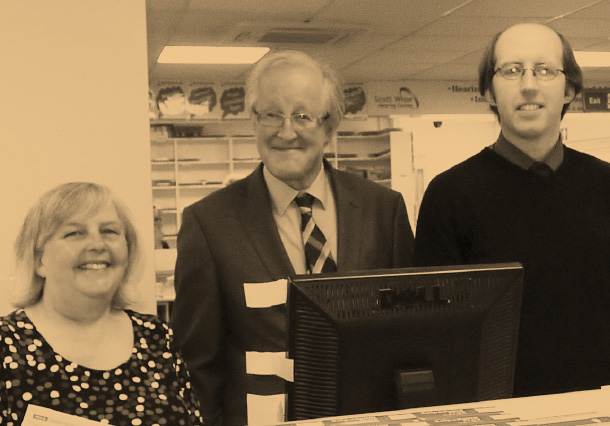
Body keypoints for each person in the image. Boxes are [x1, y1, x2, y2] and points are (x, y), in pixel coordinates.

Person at [172, 50, 415, 426]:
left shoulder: (384, 210)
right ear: (253, 121)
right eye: (271, 114)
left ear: (329, 126)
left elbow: (408, 338)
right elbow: (198, 365)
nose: (286, 132)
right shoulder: (208, 223)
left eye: (303, 116)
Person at [414, 23, 610, 398]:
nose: (529, 85)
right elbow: (433, 330)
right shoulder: (449, 194)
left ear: (569, 89)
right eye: (512, 70)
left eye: (544, 70)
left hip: (598, 402)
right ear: (488, 91)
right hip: (495, 407)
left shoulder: (605, 184)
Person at [1, 182, 203, 426]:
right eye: (74, 233)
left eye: (109, 231)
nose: (97, 245)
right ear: (39, 259)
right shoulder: (6, 346)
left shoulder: (158, 338)